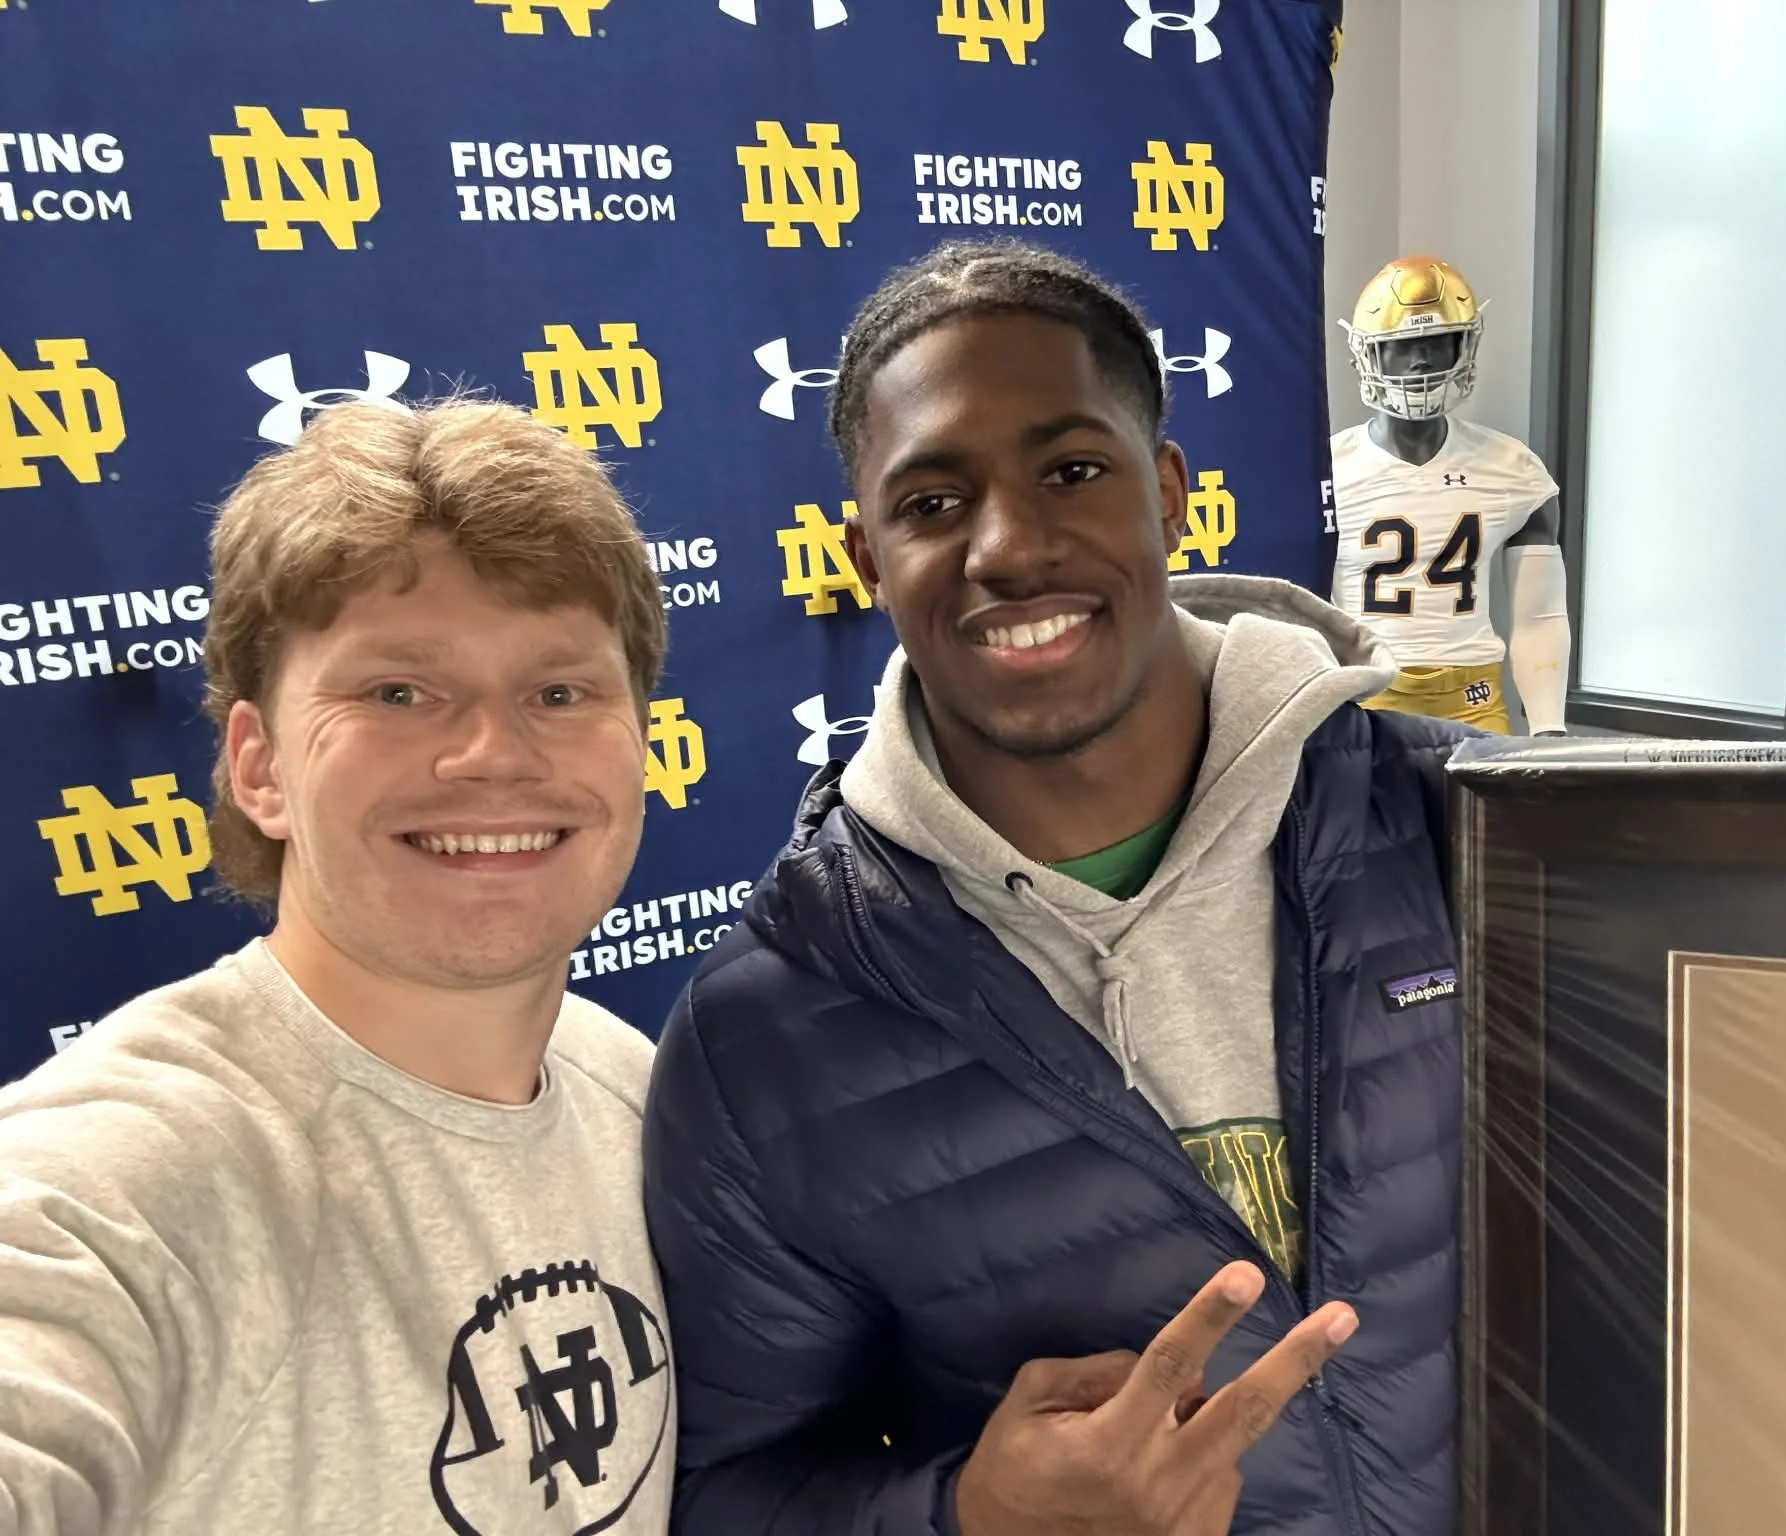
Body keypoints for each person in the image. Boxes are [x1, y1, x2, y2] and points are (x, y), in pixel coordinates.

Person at [645, 239, 1469, 1535]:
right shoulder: (763, 1038)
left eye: (1072, 472)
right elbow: (729, 1494)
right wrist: (970, 1515)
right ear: (866, 558)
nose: (1009, 547)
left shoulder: (1463, 827)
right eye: (932, 504)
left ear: (1169, 492)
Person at [0, 399, 679, 1533]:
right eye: (397, 693)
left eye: (559, 693)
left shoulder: (630, 1084)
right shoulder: (122, 1179)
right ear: (259, 768)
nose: (492, 753)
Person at [1330, 254, 1571, 736]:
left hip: (1472, 699)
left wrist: (1549, 729)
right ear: (1368, 354)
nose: (1421, 359)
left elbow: (1540, 618)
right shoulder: (1327, 469)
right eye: (1403, 345)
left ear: (1464, 345)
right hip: (1364, 698)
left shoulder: (1513, 469)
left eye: (1439, 342)